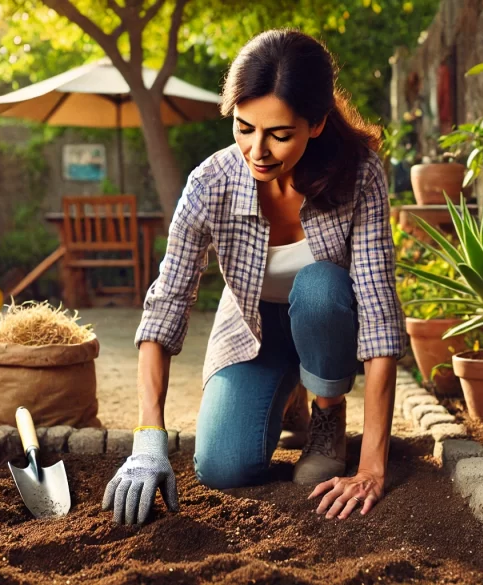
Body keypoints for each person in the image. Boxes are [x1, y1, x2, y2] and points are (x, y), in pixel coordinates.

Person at [102, 29, 405, 526]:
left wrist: (372, 465)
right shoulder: (210, 184)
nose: (256, 150)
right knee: (223, 468)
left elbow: (377, 309)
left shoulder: (359, 175)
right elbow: (167, 305)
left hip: (323, 318)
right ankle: (287, 396)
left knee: (321, 285)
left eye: (279, 134)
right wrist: (148, 441)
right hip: (252, 327)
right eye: (244, 127)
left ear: (317, 124)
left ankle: (325, 411)